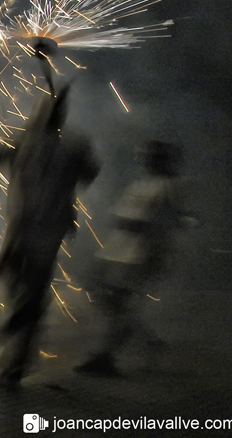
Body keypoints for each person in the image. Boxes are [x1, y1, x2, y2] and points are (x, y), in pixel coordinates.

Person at [0, 85, 100, 388]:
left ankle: (15, 359)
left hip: (33, 228)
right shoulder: (66, 143)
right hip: (36, 228)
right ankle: (20, 333)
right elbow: (91, 174)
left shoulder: (35, 140)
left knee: (27, 291)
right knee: (25, 289)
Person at [76, 141, 185, 377]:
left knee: (119, 303)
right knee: (104, 298)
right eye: (143, 155)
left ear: (163, 159)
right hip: (118, 251)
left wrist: (134, 224)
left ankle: (106, 357)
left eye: (150, 156)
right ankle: (146, 341)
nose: (144, 160)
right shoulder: (142, 183)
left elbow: (159, 222)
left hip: (139, 255)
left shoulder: (168, 186)